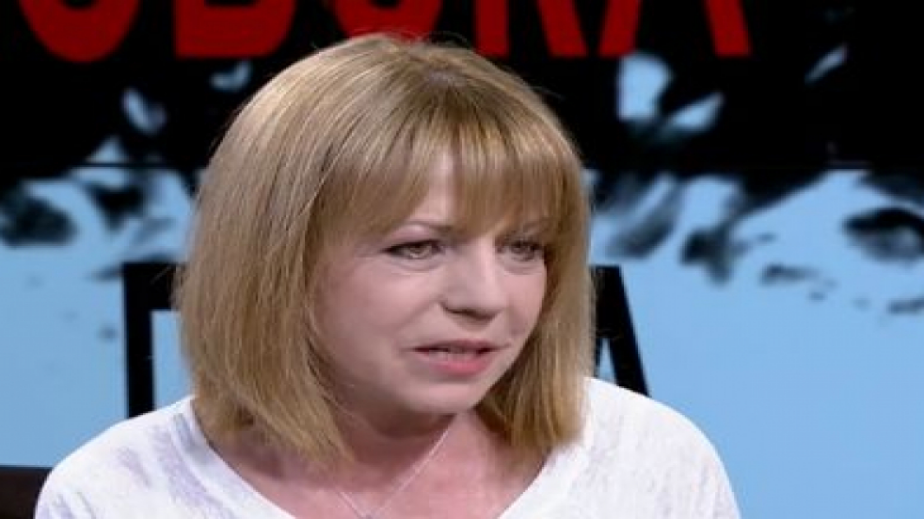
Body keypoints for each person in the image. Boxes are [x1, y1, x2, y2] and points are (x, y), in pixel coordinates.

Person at [35, 33, 740, 518]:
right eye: (418, 247)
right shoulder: (116, 494)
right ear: (279, 260)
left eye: (523, 247)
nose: (487, 299)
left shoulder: (651, 461)